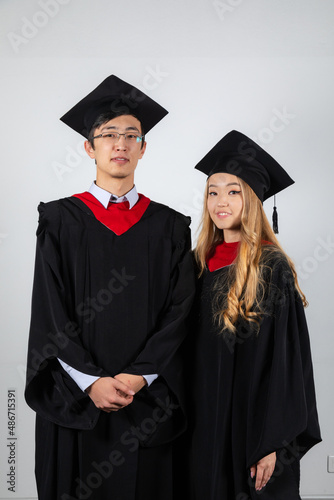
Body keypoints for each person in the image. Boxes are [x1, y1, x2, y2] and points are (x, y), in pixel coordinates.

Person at [25, 75, 195, 500]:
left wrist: (138, 377)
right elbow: (50, 309)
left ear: (143, 148)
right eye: (108, 135)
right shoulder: (61, 220)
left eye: (131, 135)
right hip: (75, 398)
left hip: (149, 399)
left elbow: (182, 310)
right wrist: (90, 380)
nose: (120, 144)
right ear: (89, 147)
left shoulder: (171, 227)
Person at [182, 130, 321, 499]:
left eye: (233, 191)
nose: (220, 202)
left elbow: (287, 362)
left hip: (252, 429)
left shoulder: (269, 266)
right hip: (203, 425)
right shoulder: (197, 266)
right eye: (213, 191)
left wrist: (272, 442)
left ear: (254, 200)